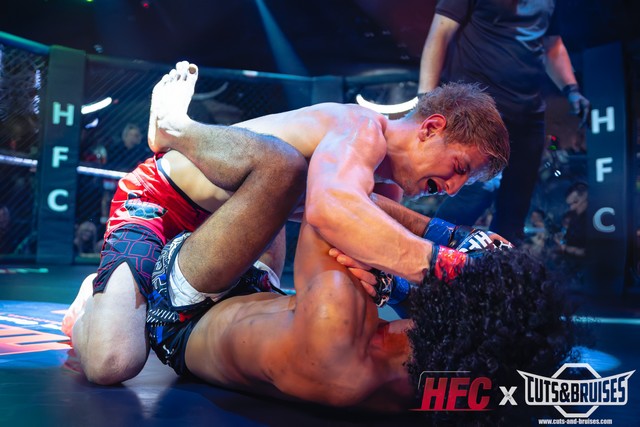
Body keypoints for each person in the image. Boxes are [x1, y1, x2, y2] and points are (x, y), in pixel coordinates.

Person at [64, 60, 510, 385]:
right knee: (111, 363)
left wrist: (406, 285)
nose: (454, 189)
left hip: (239, 232)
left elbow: (372, 262)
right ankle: (94, 298)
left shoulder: (382, 190)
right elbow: (329, 210)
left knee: (314, 194)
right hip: (161, 203)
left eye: (465, 181)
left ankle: (175, 132)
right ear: (430, 128)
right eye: (458, 168)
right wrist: (449, 262)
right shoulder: (359, 128)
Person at [146, 208, 576, 417]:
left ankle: (149, 194)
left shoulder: (338, 319)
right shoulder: (438, 387)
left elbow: (331, 207)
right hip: (262, 296)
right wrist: (397, 283)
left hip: (182, 317)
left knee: (284, 166)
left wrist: (447, 242)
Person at [418, 0, 590, 244]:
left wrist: (571, 90)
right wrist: (426, 100)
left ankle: (501, 266)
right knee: (478, 191)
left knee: (515, 207)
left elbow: (553, 46)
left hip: (528, 115)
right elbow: (441, 32)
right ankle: (427, 254)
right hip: (479, 110)